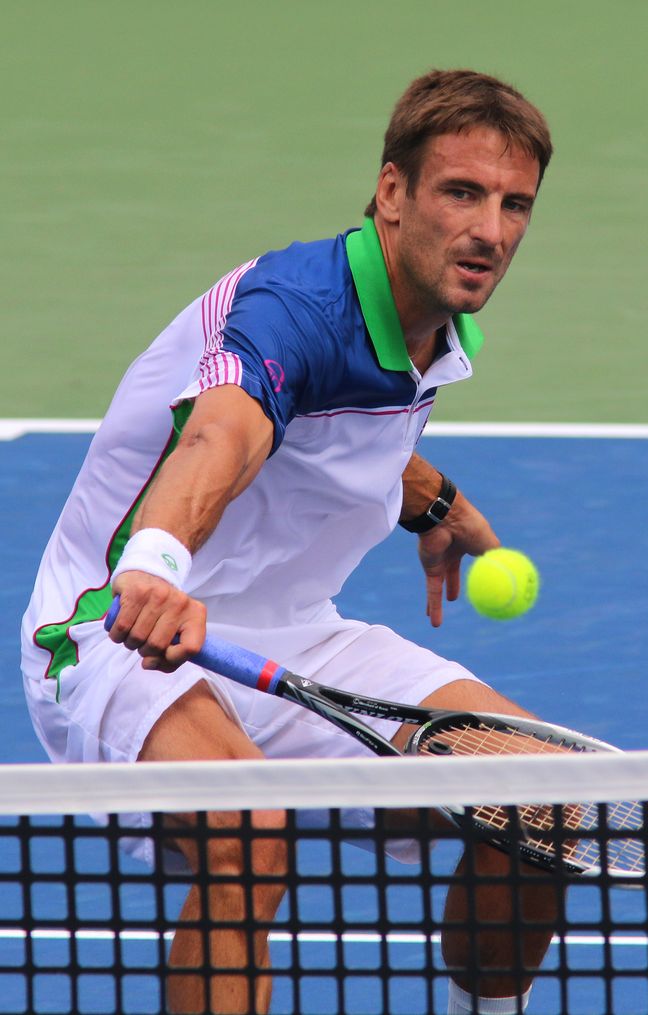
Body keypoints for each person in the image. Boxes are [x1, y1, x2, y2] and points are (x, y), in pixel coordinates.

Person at [22, 69, 554, 1014]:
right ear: (391, 193)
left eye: (515, 204)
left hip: (294, 633)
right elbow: (222, 434)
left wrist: (434, 507)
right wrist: (153, 565)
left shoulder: (435, 326)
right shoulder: (294, 308)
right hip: (115, 623)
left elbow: (334, 442)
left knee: (543, 801)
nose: (491, 231)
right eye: (462, 193)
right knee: (250, 829)